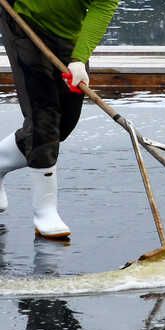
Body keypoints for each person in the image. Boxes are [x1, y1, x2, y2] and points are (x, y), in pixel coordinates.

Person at [0, 0, 119, 239]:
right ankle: (45, 211)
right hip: (22, 21)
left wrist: (79, 59)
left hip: (67, 33)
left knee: (64, 124)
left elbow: (102, 7)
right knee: (43, 119)